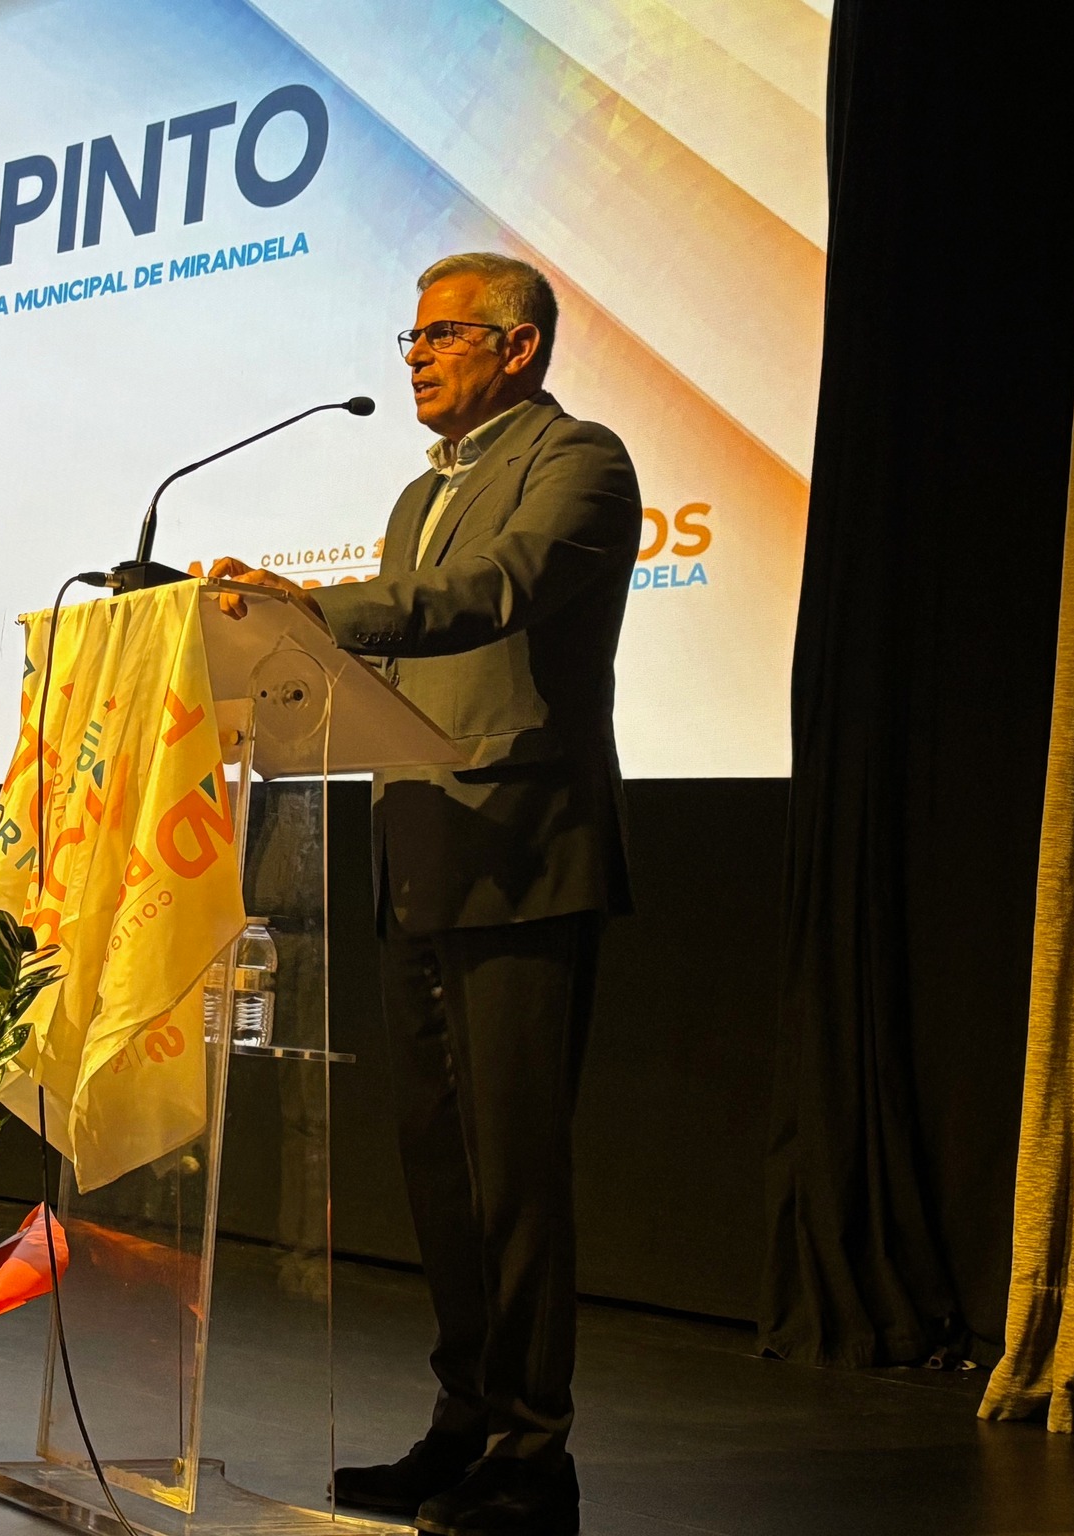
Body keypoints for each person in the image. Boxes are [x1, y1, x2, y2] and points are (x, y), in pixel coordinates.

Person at [209, 252, 640, 1536]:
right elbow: (390, 669)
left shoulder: (579, 462)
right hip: (417, 852)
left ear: (517, 347)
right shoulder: (414, 495)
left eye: (440, 334)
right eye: (408, 337)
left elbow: (485, 595)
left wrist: (314, 607)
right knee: (438, 1170)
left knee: (513, 1171)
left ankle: (531, 1454)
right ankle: (464, 1425)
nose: (413, 355)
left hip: (519, 849)